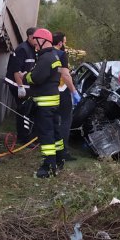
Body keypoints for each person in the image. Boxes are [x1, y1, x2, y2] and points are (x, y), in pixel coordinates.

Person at [23, 28, 63, 178]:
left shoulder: (46, 58)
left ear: (43, 41)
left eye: (36, 40)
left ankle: (48, 167)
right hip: (52, 101)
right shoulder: (53, 56)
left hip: (45, 103)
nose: (34, 44)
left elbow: (37, 77)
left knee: (46, 135)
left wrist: (27, 76)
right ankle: (59, 160)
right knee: (55, 133)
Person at [5, 27, 37, 144]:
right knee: (23, 109)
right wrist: (20, 87)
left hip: (25, 85)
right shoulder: (22, 49)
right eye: (35, 38)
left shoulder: (33, 49)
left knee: (27, 109)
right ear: (29, 37)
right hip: (16, 84)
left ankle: (26, 135)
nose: (37, 40)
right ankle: (23, 138)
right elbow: (16, 70)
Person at [52, 31, 81, 164]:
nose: (65, 44)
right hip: (62, 91)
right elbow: (65, 75)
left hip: (48, 91)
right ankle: (63, 152)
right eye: (65, 41)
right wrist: (74, 91)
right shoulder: (61, 54)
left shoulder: (44, 52)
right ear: (60, 43)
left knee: (51, 121)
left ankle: (52, 149)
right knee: (65, 121)